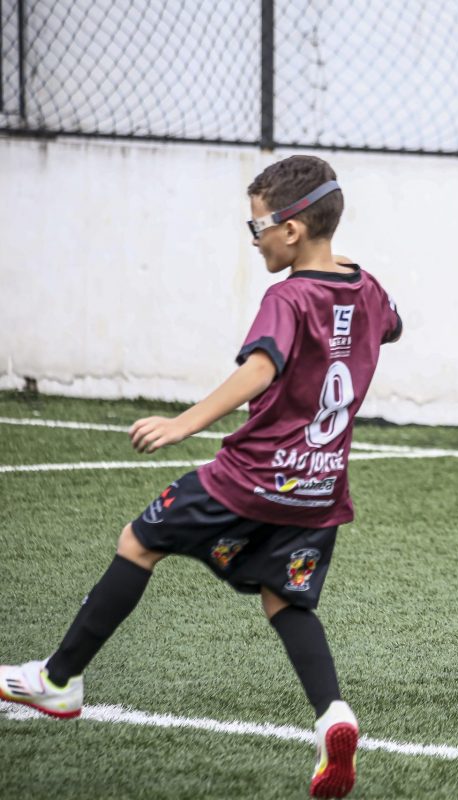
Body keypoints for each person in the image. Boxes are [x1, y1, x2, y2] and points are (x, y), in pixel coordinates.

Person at [0, 155, 402, 798]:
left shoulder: (287, 296)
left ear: (292, 229)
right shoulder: (369, 288)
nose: (254, 239)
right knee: (286, 599)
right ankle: (333, 715)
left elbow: (261, 368)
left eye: (257, 227)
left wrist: (182, 424)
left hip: (248, 478)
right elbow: (390, 326)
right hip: (319, 488)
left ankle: (59, 680)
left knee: (139, 541)